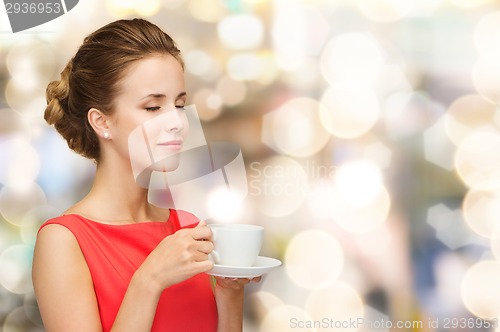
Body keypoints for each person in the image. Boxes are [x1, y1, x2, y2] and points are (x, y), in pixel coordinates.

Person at [32, 18, 260, 332]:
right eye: (153, 107)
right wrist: (149, 280)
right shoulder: (63, 241)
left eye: (180, 105)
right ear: (102, 122)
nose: (178, 122)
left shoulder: (189, 229)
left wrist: (230, 291)